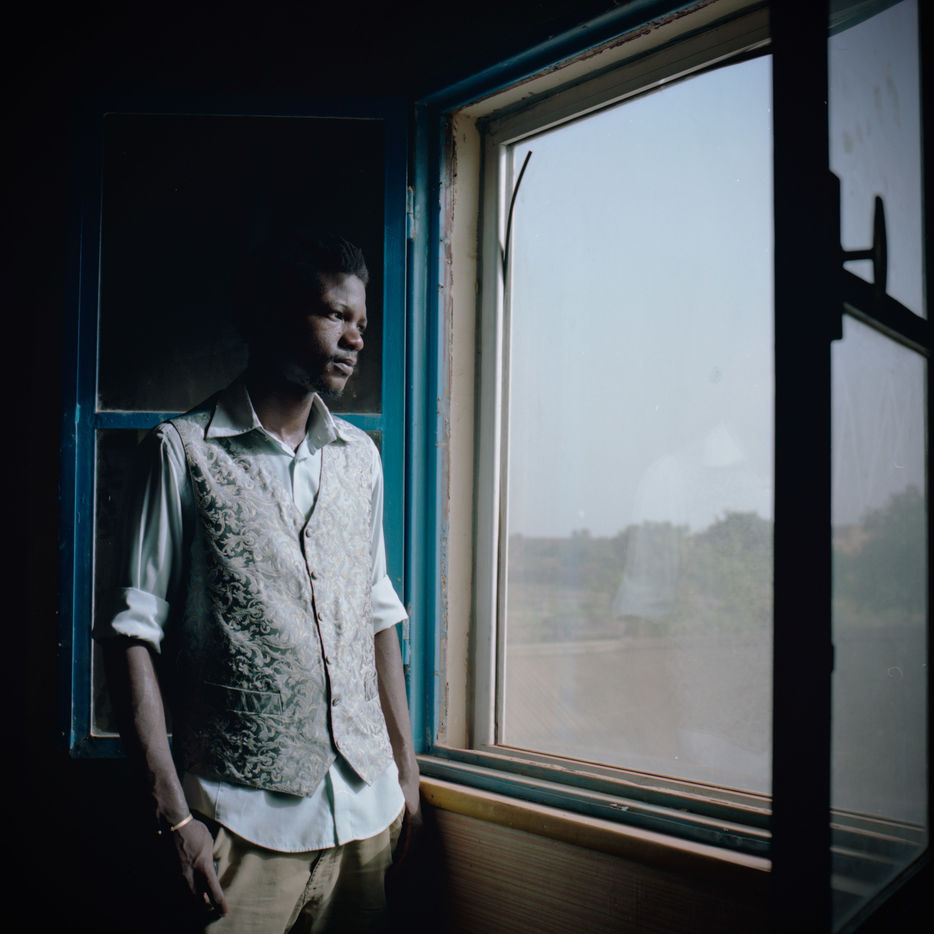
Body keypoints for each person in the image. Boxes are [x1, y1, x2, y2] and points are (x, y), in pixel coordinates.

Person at [96, 229, 421, 933]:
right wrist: (172, 815)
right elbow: (130, 638)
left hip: (367, 820)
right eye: (334, 314)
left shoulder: (360, 458)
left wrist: (406, 773)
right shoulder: (180, 453)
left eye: (361, 323)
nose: (355, 338)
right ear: (270, 315)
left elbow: (377, 614)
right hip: (238, 830)